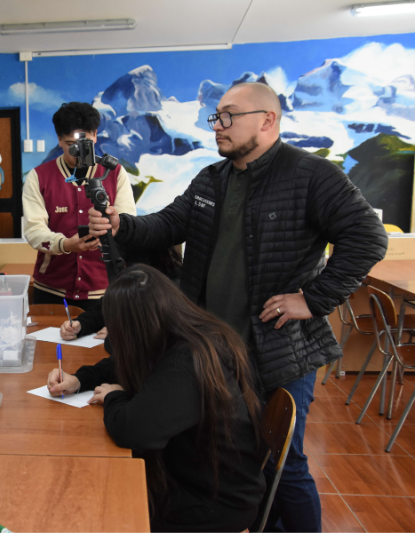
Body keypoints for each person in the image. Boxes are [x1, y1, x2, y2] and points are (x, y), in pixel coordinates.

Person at [88, 82, 388, 532]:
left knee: (284, 466)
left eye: (229, 116)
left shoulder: (311, 175)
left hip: (275, 353)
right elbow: (169, 224)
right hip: (213, 354)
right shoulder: (212, 179)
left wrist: (313, 299)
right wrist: (122, 224)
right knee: (231, 461)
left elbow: (369, 237)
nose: (217, 126)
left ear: (267, 121)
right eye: (216, 116)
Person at [48, 265, 266, 531]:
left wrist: (115, 396)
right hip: (193, 475)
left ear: (136, 327)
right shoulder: (176, 336)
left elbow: (133, 431)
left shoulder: (189, 363)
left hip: (212, 501)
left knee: (101, 506)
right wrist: (79, 379)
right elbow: (121, 363)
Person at [22, 102, 136, 311]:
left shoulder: (115, 173)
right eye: (69, 144)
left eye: (85, 143)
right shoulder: (38, 177)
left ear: (95, 135)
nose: (77, 152)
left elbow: (129, 222)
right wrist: (65, 244)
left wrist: (113, 227)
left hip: (105, 288)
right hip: (52, 289)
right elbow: (33, 230)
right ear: (58, 139)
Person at [59, 245, 182, 341]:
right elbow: (106, 309)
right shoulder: (141, 281)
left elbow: (158, 333)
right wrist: (80, 324)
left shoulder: (175, 292)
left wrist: (121, 332)